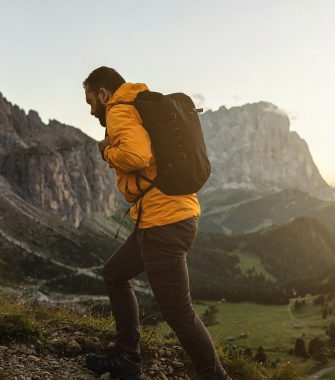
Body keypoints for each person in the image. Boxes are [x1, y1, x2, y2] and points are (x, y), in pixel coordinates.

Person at [82, 66, 230, 380]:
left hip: (163, 223)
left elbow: (136, 156)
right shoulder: (138, 104)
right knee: (115, 274)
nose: (90, 107)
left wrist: (107, 150)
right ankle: (127, 358)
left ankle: (214, 375)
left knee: (177, 311)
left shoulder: (119, 111)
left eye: (90, 99)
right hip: (165, 218)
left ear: (104, 94)